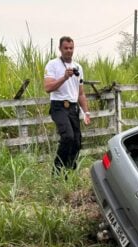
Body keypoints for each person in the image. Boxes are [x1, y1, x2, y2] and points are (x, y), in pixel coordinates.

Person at [44, 36, 91, 174]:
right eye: (66, 48)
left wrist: (86, 112)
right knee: (68, 137)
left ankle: (69, 171)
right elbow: (48, 88)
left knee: (77, 141)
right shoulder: (52, 65)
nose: (69, 51)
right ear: (60, 48)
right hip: (58, 106)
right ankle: (57, 171)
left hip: (73, 107)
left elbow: (80, 93)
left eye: (71, 48)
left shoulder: (78, 67)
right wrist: (64, 77)